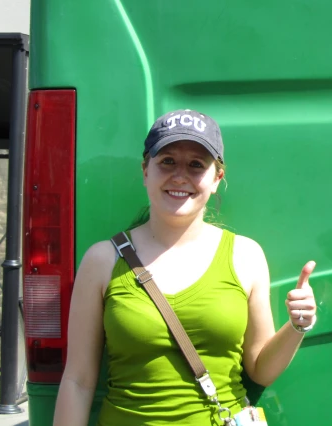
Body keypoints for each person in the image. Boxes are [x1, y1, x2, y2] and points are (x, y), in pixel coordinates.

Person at [53, 109, 317, 425]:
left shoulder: (245, 256)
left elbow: (261, 369)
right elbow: (78, 382)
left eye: (196, 165)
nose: (180, 176)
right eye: (167, 161)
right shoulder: (102, 260)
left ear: (217, 179)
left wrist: (297, 326)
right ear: (145, 170)